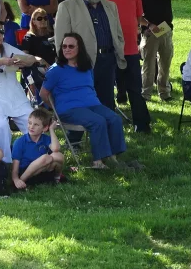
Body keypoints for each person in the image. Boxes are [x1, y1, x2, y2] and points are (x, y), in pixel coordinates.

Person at [40, 33, 133, 170]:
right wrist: (55, 110)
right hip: (69, 109)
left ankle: (112, 156)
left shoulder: (86, 66)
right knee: (98, 121)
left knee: (115, 119)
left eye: (71, 46)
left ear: (79, 48)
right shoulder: (56, 70)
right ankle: (98, 162)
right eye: (64, 46)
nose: (67, 49)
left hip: (92, 104)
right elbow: (43, 94)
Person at [0, 17, 48, 162]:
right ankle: (4, 161)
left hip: (12, 95)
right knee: (0, 126)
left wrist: (24, 60)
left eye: (1, 31)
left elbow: (31, 58)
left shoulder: (6, 47)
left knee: (32, 119)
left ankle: (38, 156)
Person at [54, 0, 127, 111]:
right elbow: (61, 39)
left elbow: (118, 33)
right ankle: (85, 129)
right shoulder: (67, 6)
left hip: (108, 59)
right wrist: (68, 62)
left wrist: (119, 50)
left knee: (107, 100)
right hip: (82, 61)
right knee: (84, 100)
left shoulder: (110, 6)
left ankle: (107, 128)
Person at [100, 0, 152, 132]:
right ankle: (108, 124)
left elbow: (138, 16)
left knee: (135, 88)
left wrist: (150, 26)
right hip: (108, 48)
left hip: (130, 48)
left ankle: (142, 124)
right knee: (106, 89)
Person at [139, 0, 178, 101]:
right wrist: (148, 25)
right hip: (150, 31)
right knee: (148, 64)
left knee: (165, 62)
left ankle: (164, 91)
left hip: (165, 30)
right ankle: (146, 93)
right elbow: (137, 15)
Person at [11, 108, 65, 189]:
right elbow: (15, 167)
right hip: (25, 173)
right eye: (29, 123)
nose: (31, 127)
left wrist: (51, 130)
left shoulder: (45, 139)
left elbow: (56, 149)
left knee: (58, 156)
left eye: (36, 125)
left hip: (41, 171)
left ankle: (57, 178)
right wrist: (16, 180)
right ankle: (21, 183)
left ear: (45, 128)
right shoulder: (20, 142)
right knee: (46, 158)